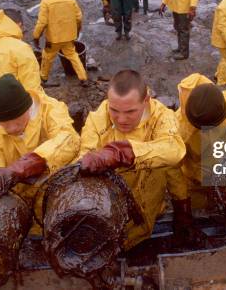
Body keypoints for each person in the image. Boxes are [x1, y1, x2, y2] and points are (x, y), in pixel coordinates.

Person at [75, 69, 186, 250]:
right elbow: (85, 155)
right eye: (114, 110)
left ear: (146, 101)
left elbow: (174, 151)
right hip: (113, 215)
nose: (121, 119)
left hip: (151, 208)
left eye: (130, 112)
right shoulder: (96, 121)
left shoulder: (162, 118)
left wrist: (182, 205)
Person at [0, 74, 80, 209]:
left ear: (28, 108)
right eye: (4, 125)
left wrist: (27, 165)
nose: (11, 129)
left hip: (54, 187)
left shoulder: (51, 110)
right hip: (17, 194)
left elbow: (68, 139)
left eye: (18, 122)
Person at [33, 0, 89, 87]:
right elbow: (79, 17)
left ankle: (43, 79)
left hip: (53, 39)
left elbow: (42, 22)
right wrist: (77, 30)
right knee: (73, 55)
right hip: (69, 36)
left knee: (47, 57)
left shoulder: (46, 0)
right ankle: (83, 78)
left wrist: (36, 36)